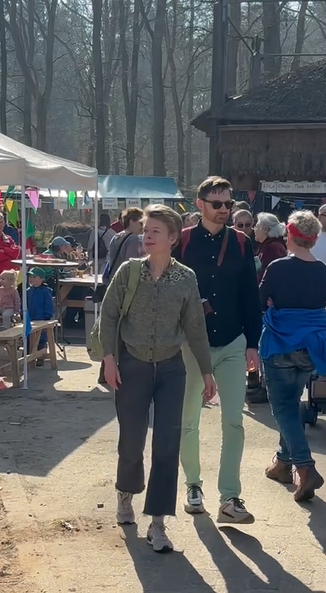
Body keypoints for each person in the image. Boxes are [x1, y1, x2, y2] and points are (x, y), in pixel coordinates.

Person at [101, 204, 216, 553]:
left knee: (167, 446)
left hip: (170, 369)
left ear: (172, 238)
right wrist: (109, 359)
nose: (146, 236)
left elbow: (195, 327)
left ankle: (158, 522)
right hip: (132, 365)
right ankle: (125, 494)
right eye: (145, 230)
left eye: (154, 232)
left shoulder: (186, 278)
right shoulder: (128, 271)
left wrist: (207, 370)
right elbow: (108, 315)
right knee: (132, 441)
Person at [175, 176, 262, 523]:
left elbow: (250, 297)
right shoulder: (181, 242)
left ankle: (230, 497)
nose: (225, 210)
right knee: (188, 421)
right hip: (191, 345)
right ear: (200, 205)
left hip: (232, 341)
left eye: (229, 203)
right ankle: (193, 486)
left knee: (233, 422)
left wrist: (253, 343)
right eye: (218, 204)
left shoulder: (242, 243)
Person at [259, 211, 326, 501]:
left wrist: (272, 302)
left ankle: (305, 468)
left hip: (280, 342)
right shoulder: (322, 270)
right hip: (312, 346)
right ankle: (283, 462)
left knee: (283, 409)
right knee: (292, 403)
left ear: (289, 235)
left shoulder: (278, 267)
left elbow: (260, 298)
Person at [26, 268, 55, 356]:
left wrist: (47, 315)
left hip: (41, 317)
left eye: (34, 277)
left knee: (41, 338)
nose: (31, 278)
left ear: (42, 279)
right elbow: (24, 303)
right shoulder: (28, 291)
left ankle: (40, 356)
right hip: (29, 318)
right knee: (28, 336)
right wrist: (22, 313)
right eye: (30, 276)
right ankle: (28, 354)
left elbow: (49, 304)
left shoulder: (46, 291)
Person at [253, 213, 288, 283]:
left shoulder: (272, 249)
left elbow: (267, 277)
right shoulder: (270, 245)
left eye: (256, 226)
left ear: (265, 229)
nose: (254, 229)